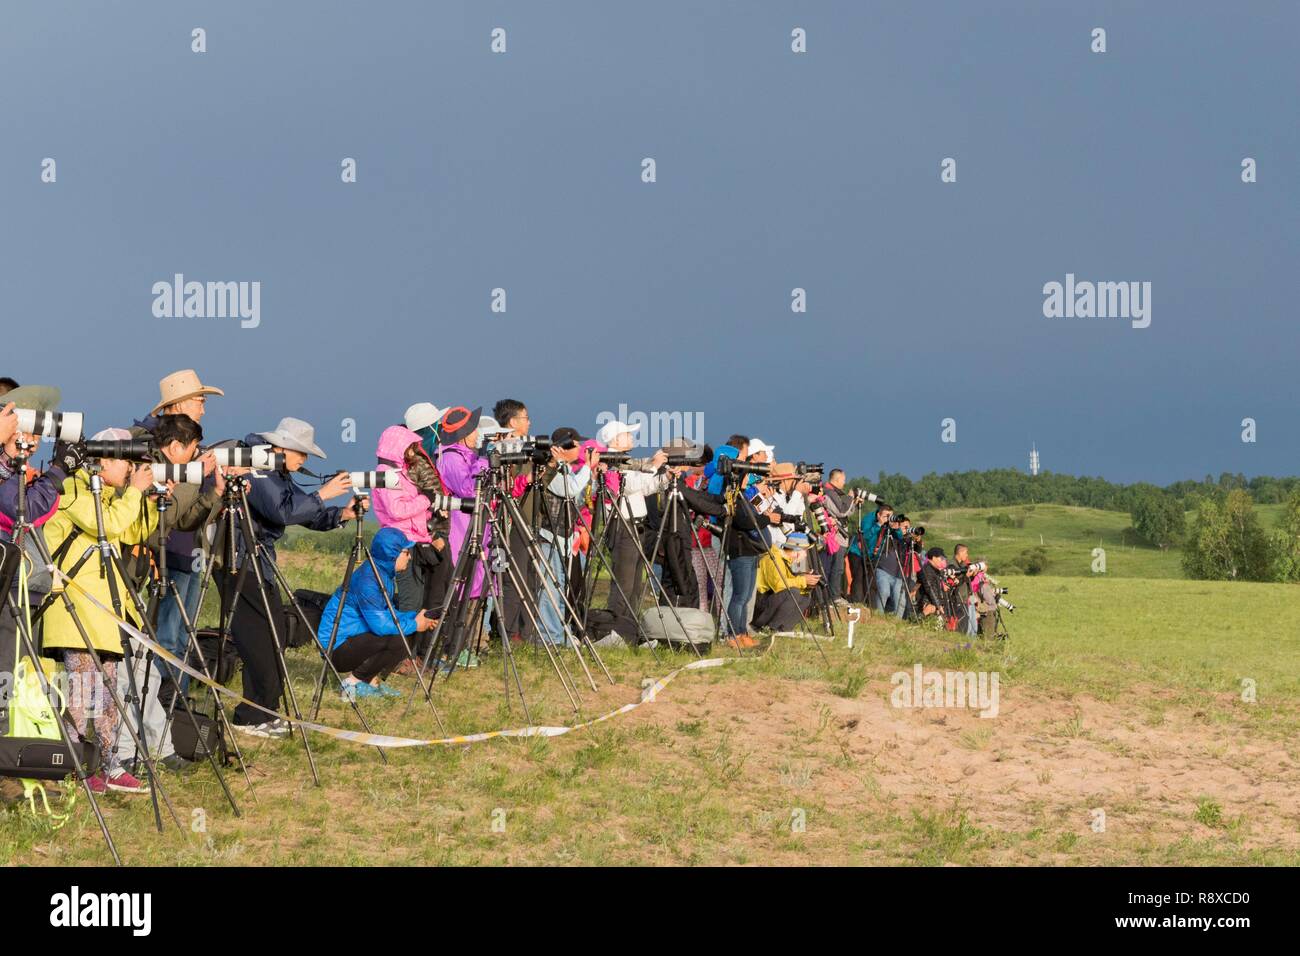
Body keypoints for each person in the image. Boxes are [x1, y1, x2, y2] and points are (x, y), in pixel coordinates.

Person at [219, 417, 360, 738]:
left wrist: (342, 514)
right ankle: (252, 717)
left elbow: (300, 510)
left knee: (273, 635)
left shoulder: (275, 471)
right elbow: (283, 512)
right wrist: (324, 494)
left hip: (258, 560)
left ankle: (262, 711)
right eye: (302, 453)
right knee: (260, 640)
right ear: (282, 448)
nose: (305, 460)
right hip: (240, 560)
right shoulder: (258, 467)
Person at [41, 428, 161, 794]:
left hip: (102, 613)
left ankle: (107, 764)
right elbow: (105, 526)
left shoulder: (109, 494)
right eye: (124, 460)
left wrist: (151, 500)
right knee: (81, 695)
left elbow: (132, 531)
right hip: (74, 609)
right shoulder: (72, 489)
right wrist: (135, 492)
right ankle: (76, 765)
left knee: (106, 694)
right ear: (102, 460)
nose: (129, 468)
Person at [315, 527, 438, 699]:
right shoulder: (368, 580)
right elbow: (381, 626)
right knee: (398, 638)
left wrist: (415, 617)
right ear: (392, 554)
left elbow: (388, 613)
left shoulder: (382, 574)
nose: (409, 557)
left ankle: (370, 681)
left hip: (353, 638)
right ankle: (352, 683)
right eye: (406, 552)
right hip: (335, 648)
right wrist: (416, 624)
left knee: (405, 632)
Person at [592, 420, 668, 643]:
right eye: (627, 434)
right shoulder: (612, 462)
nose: (631, 437)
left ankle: (629, 629)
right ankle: (616, 631)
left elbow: (645, 487)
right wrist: (653, 465)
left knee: (635, 583)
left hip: (637, 525)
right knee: (624, 583)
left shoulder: (626, 460)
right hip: (622, 525)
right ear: (615, 440)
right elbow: (630, 485)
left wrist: (665, 478)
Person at [434, 407, 491, 666]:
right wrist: (483, 460)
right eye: (474, 429)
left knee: (476, 586)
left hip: (476, 527)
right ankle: (455, 645)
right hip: (461, 530)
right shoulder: (452, 458)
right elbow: (469, 489)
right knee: (463, 587)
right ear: (464, 434)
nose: (478, 433)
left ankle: (470, 643)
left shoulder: (465, 455)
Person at [752, 532, 821, 631]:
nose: (806, 555)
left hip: (769, 602)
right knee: (793, 592)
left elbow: (791, 584)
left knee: (805, 597)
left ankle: (783, 629)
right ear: (796, 551)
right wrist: (803, 580)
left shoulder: (787, 561)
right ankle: (770, 627)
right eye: (805, 551)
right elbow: (779, 586)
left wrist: (807, 585)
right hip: (759, 605)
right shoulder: (773, 559)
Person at [818, 469, 853, 603]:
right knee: (835, 568)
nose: (844, 483)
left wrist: (852, 502)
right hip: (835, 536)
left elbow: (847, 512)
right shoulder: (829, 492)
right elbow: (842, 511)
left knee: (838, 568)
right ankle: (834, 597)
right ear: (837, 479)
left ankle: (835, 596)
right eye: (843, 480)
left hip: (840, 536)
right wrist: (850, 497)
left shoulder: (836, 493)